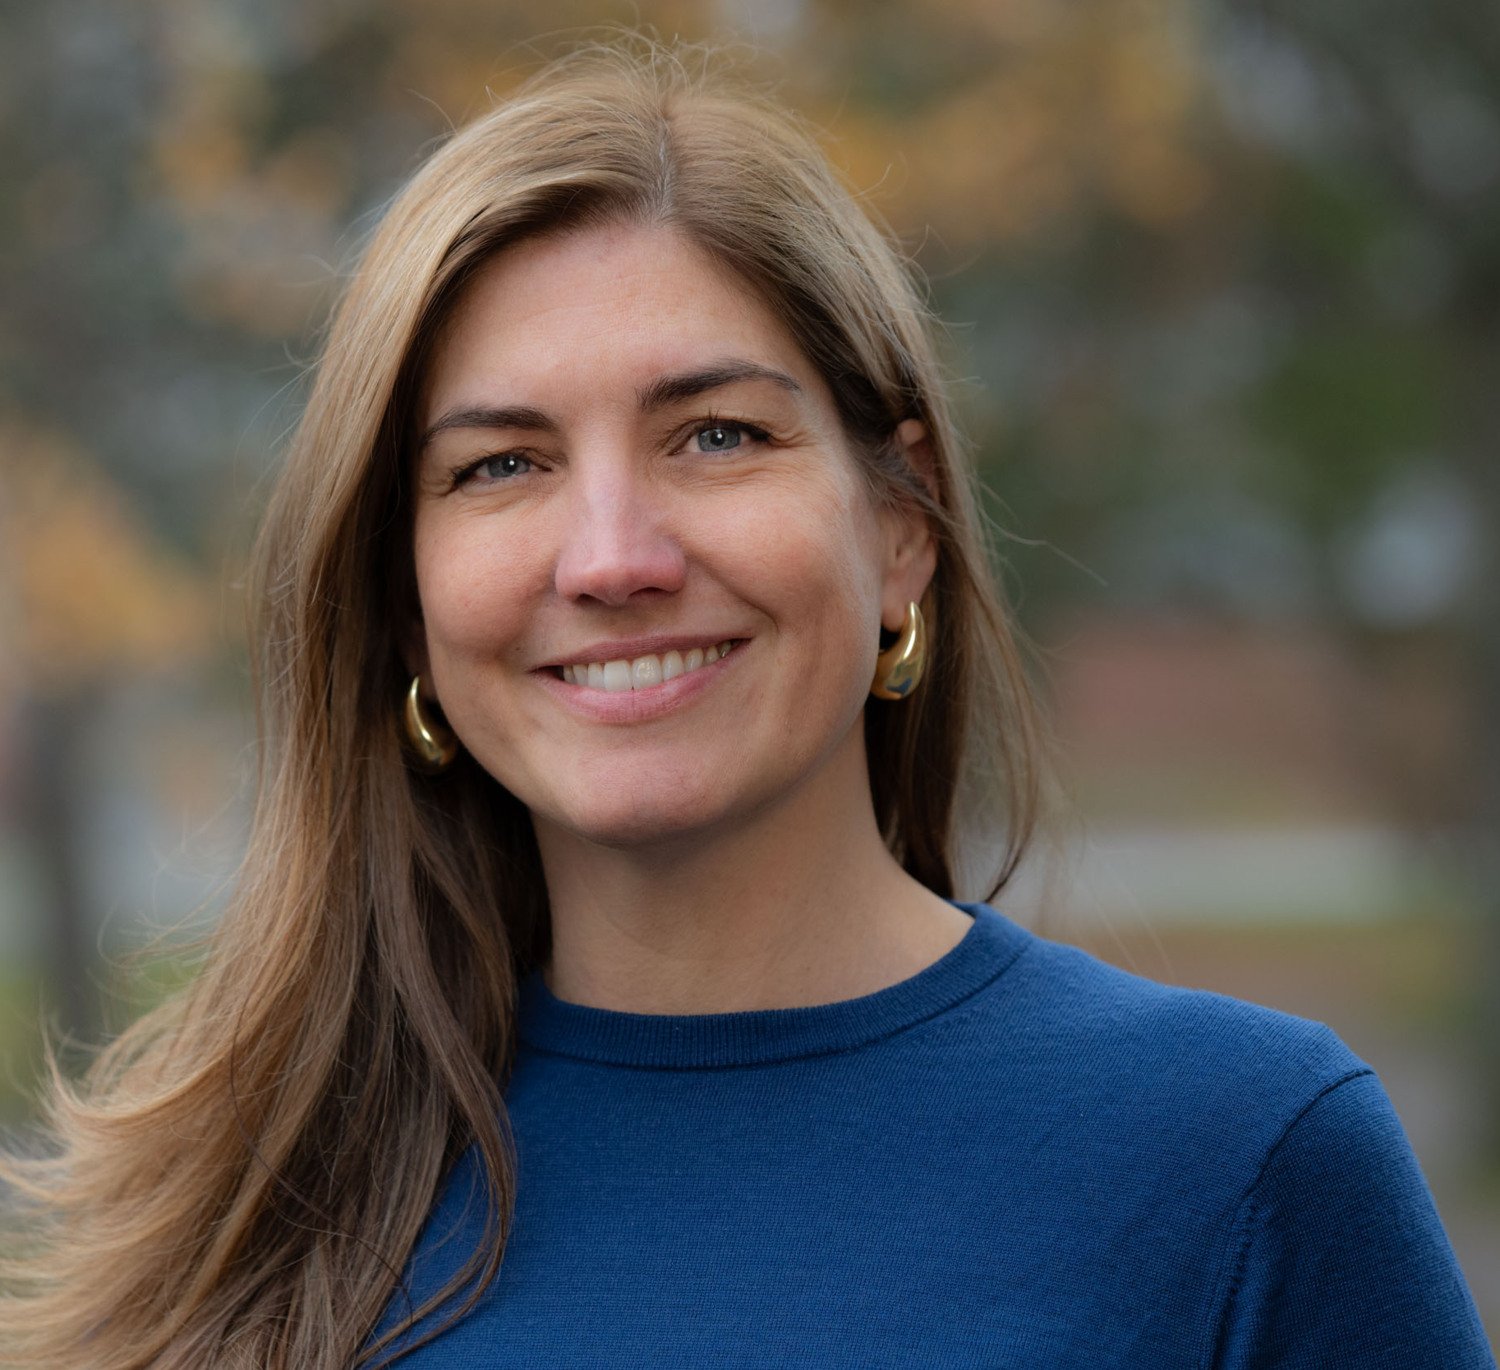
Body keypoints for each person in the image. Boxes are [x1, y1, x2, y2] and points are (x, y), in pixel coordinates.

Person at [1, 38, 1493, 1370]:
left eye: (716, 434)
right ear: (406, 602)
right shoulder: (236, 1211)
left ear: (901, 526)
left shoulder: (1241, 1168)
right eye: (501, 465)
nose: (615, 557)